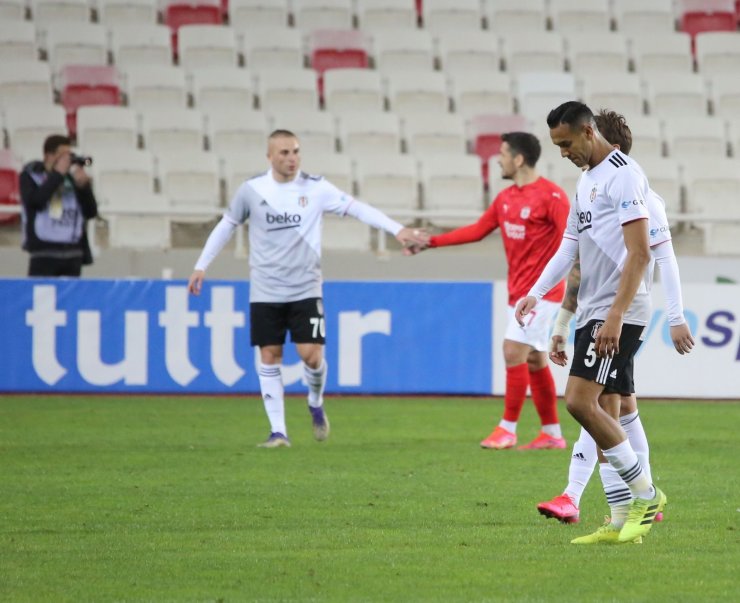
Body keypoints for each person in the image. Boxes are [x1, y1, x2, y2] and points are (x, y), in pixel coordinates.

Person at [187, 129, 427, 448]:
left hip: (305, 288)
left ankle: (315, 402)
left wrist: (397, 230)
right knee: (269, 355)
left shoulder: (317, 189)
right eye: (284, 152)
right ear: (270, 156)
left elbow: (358, 208)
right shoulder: (251, 190)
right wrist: (201, 264)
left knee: (310, 356)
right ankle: (278, 432)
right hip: (265, 289)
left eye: (296, 151)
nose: (291, 158)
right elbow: (227, 225)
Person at [535, 110, 694, 536]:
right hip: (595, 308)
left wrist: (620, 315)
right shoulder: (586, 180)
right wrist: (537, 294)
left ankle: (645, 493)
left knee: (579, 401)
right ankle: (621, 519)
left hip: (616, 310)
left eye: (566, 144)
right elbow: (570, 248)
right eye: (557, 147)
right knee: (613, 406)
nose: (563, 154)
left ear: (589, 132)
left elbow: (646, 254)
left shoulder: (625, 176)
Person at [408, 132, 570, 450]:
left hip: (543, 294)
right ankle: (551, 434)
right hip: (517, 294)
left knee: (513, 351)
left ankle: (507, 429)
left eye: (504, 153)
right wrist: (432, 241)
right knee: (535, 360)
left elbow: (571, 244)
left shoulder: (553, 198)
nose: (499, 159)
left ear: (519, 159)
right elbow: (479, 230)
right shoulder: (506, 198)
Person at [20, 134, 97, 277]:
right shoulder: (31, 175)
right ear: (49, 156)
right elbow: (35, 201)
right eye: (63, 155)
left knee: (70, 299)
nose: (68, 160)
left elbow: (91, 212)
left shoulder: (73, 178)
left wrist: (84, 187)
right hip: (43, 253)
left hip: (72, 253)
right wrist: (57, 174)